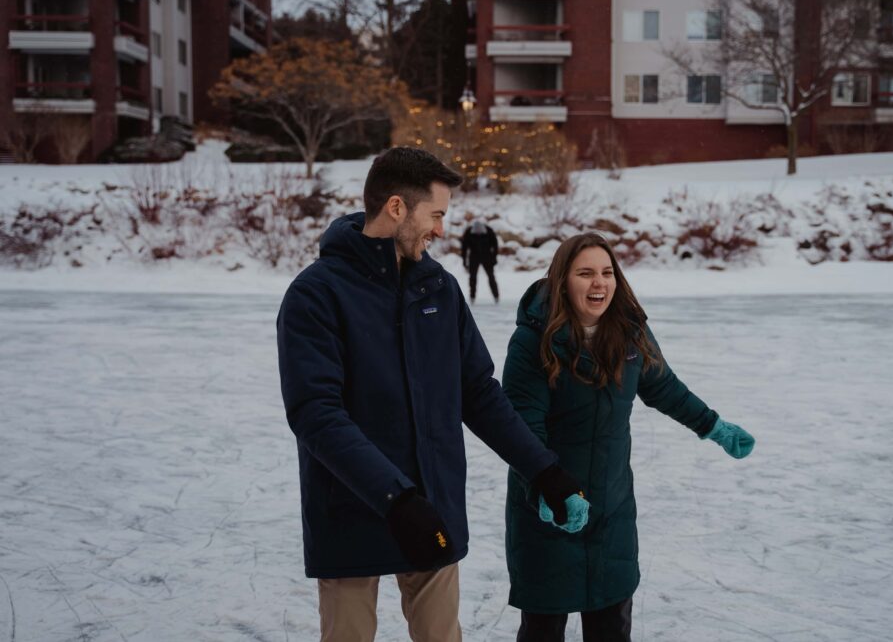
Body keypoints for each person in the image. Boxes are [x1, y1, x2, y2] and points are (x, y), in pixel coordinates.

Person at [276, 147, 588, 642]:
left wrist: (544, 471)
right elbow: (317, 415)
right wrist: (396, 499)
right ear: (397, 207)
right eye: (436, 214)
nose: (442, 230)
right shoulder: (317, 294)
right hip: (353, 511)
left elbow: (478, 393)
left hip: (433, 508)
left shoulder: (438, 288)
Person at [501, 232, 756, 642]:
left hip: (611, 508)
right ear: (562, 280)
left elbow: (664, 387)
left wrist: (712, 426)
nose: (599, 283)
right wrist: (543, 491)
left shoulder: (629, 333)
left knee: (611, 626)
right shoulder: (534, 341)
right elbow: (521, 427)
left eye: (607, 272)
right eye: (585, 273)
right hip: (548, 508)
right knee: (543, 628)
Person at [461, 218, 500, 303]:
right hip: (474, 256)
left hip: (487, 256)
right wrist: (464, 261)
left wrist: (494, 258)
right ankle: (472, 297)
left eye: (480, 233)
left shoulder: (489, 231)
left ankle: (496, 296)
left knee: (491, 276)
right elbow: (464, 248)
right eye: (476, 233)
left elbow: (495, 245)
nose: (478, 234)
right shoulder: (469, 232)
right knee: (472, 277)